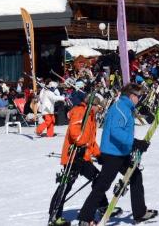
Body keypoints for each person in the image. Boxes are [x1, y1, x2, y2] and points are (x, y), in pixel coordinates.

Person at [77, 84, 157, 225]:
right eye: (139, 96)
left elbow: (123, 131)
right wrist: (134, 142)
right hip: (113, 154)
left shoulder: (125, 107)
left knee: (135, 176)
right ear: (132, 96)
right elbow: (116, 132)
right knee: (103, 185)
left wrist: (133, 146)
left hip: (121, 152)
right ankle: (85, 217)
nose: (140, 99)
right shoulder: (120, 108)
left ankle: (140, 212)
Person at [48, 91, 117, 226]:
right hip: (73, 156)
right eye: (99, 107)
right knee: (66, 185)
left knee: (98, 179)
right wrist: (84, 144)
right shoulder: (80, 112)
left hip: (83, 157)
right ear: (94, 105)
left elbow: (90, 141)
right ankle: (54, 216)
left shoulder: (90, 117)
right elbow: (76, 136)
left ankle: (102, 207)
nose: (100, 110)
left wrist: (98, 154)